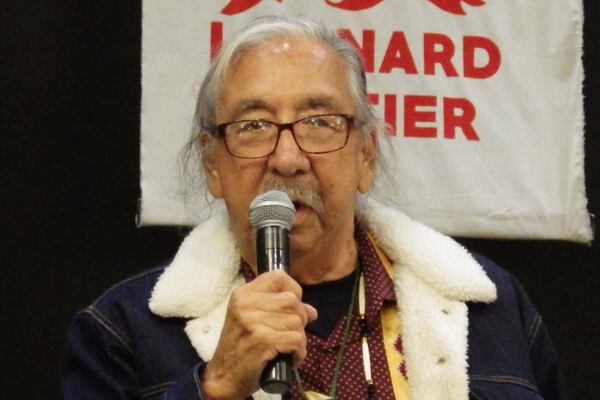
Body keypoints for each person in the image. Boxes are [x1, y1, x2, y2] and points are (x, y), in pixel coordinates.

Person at [62, 16, 566, 400]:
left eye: (320, 122)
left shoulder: (491, 307)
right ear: (212, 165)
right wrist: (214, 388)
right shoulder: (122, 331)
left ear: (366, 155)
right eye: (254, 126)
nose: (287, 158)